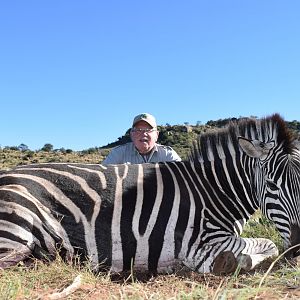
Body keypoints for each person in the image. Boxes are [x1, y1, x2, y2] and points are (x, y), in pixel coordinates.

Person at [102, 113, 181, 164]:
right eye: (138, 130)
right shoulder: (118, 154)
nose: (143, 134)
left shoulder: (168, 154)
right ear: (131, 134)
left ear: (156, 135)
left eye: (148, 130)